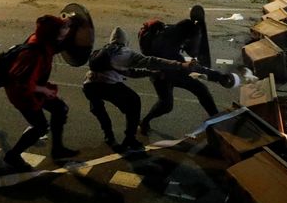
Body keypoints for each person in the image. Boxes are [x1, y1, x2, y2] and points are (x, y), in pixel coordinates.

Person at [83, 27, 218, 152]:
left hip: (89, 86)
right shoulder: (125, 52)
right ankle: (130, 138)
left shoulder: (103, 51)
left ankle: (109, 137)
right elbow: (152, 61)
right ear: (125, 41)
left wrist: (151, 73)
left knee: (99, 109)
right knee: (134, 102)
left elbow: (130, 73)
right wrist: (181, 65)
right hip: (108, 86)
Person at [139, 6, 232, 135]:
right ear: (186, 37)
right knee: (166, 105)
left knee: (201, 89)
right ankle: (145, 121)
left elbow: (190, 53)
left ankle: (216, 121)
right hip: (161, 74)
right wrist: (218, 77)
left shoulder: (177, 32)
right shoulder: (164, 43)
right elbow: (189, 67)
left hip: (174, 68)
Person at [2, 15, 79, 171]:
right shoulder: (34, 54)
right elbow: (22, 82)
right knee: (40, 127)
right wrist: (44, 90)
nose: (66, 30)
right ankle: (13, 155)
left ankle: (57, 149)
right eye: (62, 29)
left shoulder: (43, 40)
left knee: (59, 109)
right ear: (53, 34)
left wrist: (70, 22)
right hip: (22, 94)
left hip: (34, 88)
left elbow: (58, 42)